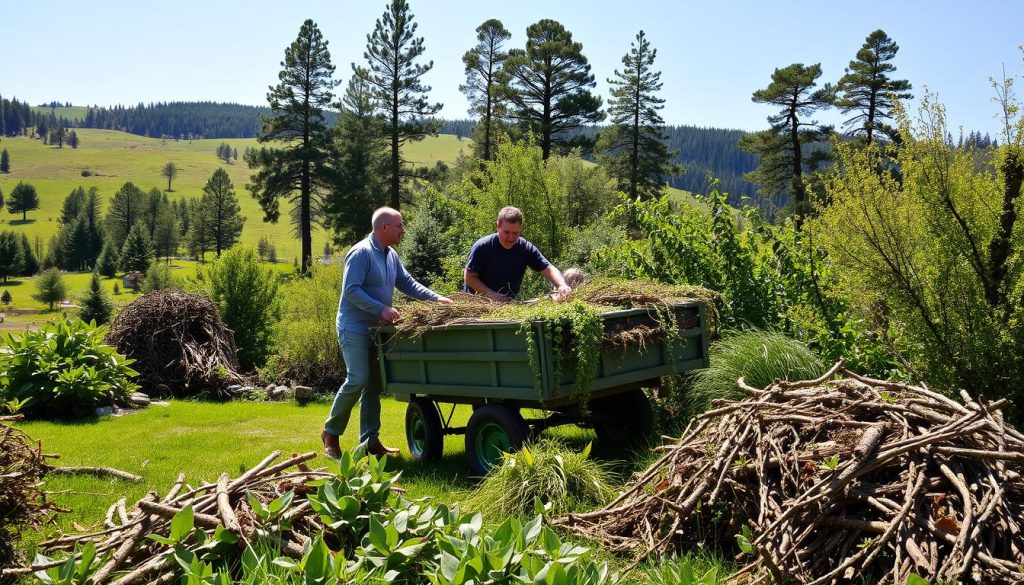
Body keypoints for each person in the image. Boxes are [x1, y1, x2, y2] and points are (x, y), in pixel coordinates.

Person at [322, 206, 452, 458]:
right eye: (399, 225)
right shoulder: (361, 253)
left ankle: (370, 441)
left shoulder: (390, 254)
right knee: (358, 378)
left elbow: (408, 283)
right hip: (354, 326)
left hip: (377, 330)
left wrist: (437, 299)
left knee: (373, 385)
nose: (403, 230)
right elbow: (351, 290)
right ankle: (331, 433)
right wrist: (381, 308)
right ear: (384, 227)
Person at [463, 206, 572, 302]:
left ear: (521, 229)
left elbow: (548, 269)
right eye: (506, 232)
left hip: (506, 306)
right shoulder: (482, 246)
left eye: (515, 233)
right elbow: (469, 277)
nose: (510, 238)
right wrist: (492, 295)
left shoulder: (524, 248)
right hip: (476, 305)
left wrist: (562, 285)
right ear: (497, 226)